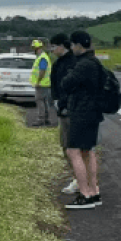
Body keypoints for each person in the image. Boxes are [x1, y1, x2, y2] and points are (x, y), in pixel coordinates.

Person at [61, 30, 103, 209]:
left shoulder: (84, 64)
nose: (71, 48)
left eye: (72, 44)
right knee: (87, 151)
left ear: (78, 45)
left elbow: (66, 84)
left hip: (82, 112)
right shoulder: (95, 62)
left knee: (73, 152)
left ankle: (84, 194)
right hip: (93, 112)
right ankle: (94, 192)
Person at [49, 33, 79, 194]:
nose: (52, 49)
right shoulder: (58, 64)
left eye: (54, 46)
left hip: (72, 110)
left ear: (63, 46)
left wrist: (66, 103)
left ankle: (79, 179)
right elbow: (55, 85)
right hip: (61, 110)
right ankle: (76, 176)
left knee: (73, 146)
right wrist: (55, 100)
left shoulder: (73, 62)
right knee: (65, 145)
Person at [30, 39, 52, 126]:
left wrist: (38, 81)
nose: (33, 50)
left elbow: (42, 70)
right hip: (44, 83)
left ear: (37, 48)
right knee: (44, 101)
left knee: (40, 101)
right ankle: (46, 119)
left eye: (33, 48)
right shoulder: (42, 57)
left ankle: (41, 119)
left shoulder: (42, 58)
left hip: (41, 83)